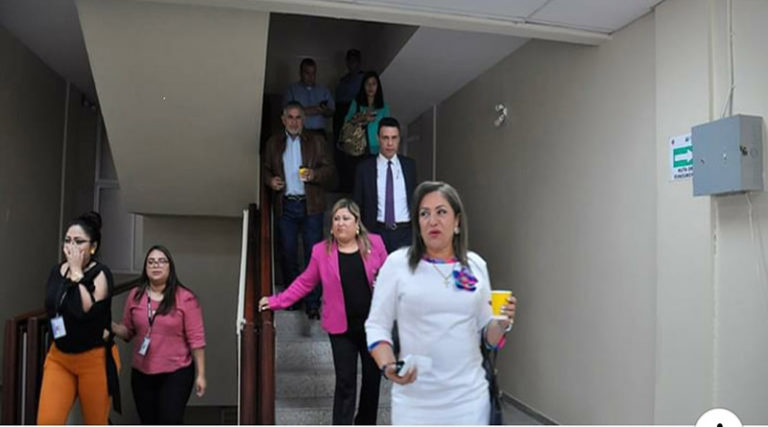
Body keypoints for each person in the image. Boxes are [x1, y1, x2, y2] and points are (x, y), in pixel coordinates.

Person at [365, 181, 518, 425]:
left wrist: (501, 323)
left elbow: (487, 336)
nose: (432, 221)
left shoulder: (476, 266)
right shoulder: (397, 265)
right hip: (414, 402)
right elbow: (376, 325)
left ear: (457, 222)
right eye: (424, 214)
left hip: (469, 401)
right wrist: (388, 365)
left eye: (441, 212)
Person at [259, 199, 388, 425]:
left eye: (346, 218)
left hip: (373, 327)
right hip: (341, 329)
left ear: (357, 223)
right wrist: (276, 301)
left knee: (372, 380)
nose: (340, 223)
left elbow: (391, 277)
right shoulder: (321, 252)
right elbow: (304, 283)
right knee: (345, 383)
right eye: (336, 219)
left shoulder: (375, 244)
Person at [38, 211, 121, 425]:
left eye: (78, 241)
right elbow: (52, 305)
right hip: (60, 356)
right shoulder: (56, 271)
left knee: (95, 421)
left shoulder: (101, 273)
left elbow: (87, 311)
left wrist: (77, 273)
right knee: (48, 421)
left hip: (94, 358)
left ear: (93, 247)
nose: (71, 247)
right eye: (67, 241)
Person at [112, 245, 206, 425]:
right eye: (151, 262)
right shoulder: (135, 296)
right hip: (142, 374)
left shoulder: (185, 298)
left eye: (162, 261)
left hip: (176, 372)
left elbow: (196, 339)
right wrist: (111, 327)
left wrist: (201, 374)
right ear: (145, 268)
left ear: (170, 267)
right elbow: (128, 331)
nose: (156, 265)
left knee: (170, 420)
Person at [263, 101, 336, 319]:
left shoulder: (316, 141)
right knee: (288, 253)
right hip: (286, 204)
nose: (294, 122)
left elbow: (329, 170)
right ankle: (292, 298)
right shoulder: (273, 143)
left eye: (298, 118)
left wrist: (314, 175)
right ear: (283, 120)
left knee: (314, 255)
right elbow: (265, 169)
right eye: (290, 117)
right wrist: (270, 181)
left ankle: (313, 303)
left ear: (304, 120)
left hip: (311, 204)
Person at [352, 117, 417, 253]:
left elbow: (416, 199)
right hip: (376, 232)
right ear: (378, 139)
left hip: (405, 233)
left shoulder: (409, 166)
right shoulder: (365, 169)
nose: (390, 143)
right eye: (385, 138)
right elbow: (357, 204)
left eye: (394, 138)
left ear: (399, 139)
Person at [284, 57, 335, 140]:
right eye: (307, 73)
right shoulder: (292, 89)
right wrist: (313, 110)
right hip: (298, 133)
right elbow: (286, 112)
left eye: (313, 73)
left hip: (319, 134)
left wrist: (325, 111)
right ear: (300, 73)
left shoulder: (324, 91)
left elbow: (332, 112)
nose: (310, 77)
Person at [333, 49, 364, 147]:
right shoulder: (343, 80)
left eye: (354, 61)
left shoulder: (363, 79)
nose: (351, 64)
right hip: (340, 115)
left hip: (354, 113)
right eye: (349, 61)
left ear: (359, 62)